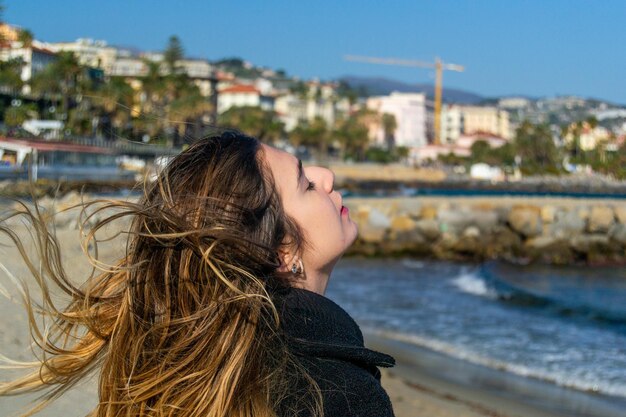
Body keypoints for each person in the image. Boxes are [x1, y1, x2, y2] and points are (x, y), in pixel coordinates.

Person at [0, 131, 396, 417]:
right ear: (280, 251)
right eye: (306, 184)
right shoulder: (336, 390)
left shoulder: (214, 370)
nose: (326, 175)